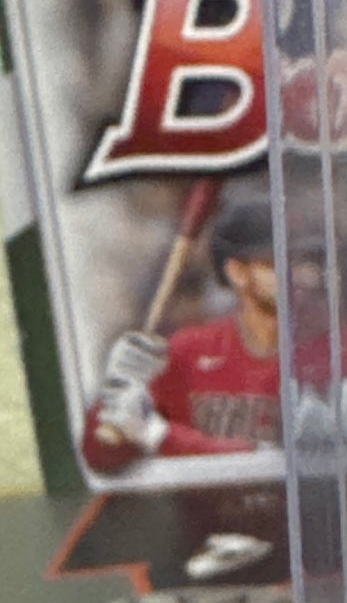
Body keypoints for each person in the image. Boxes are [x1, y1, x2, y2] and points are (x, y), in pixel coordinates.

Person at [82, 195, 282, 475]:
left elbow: (271, 463)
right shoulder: (190, 350)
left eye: (302, 260)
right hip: (202, 505)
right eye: (275, 262)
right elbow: (100, 455)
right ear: (238, 272)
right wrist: (118, 389)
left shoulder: (328, 352)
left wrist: (158, 435)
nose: (296, 272)